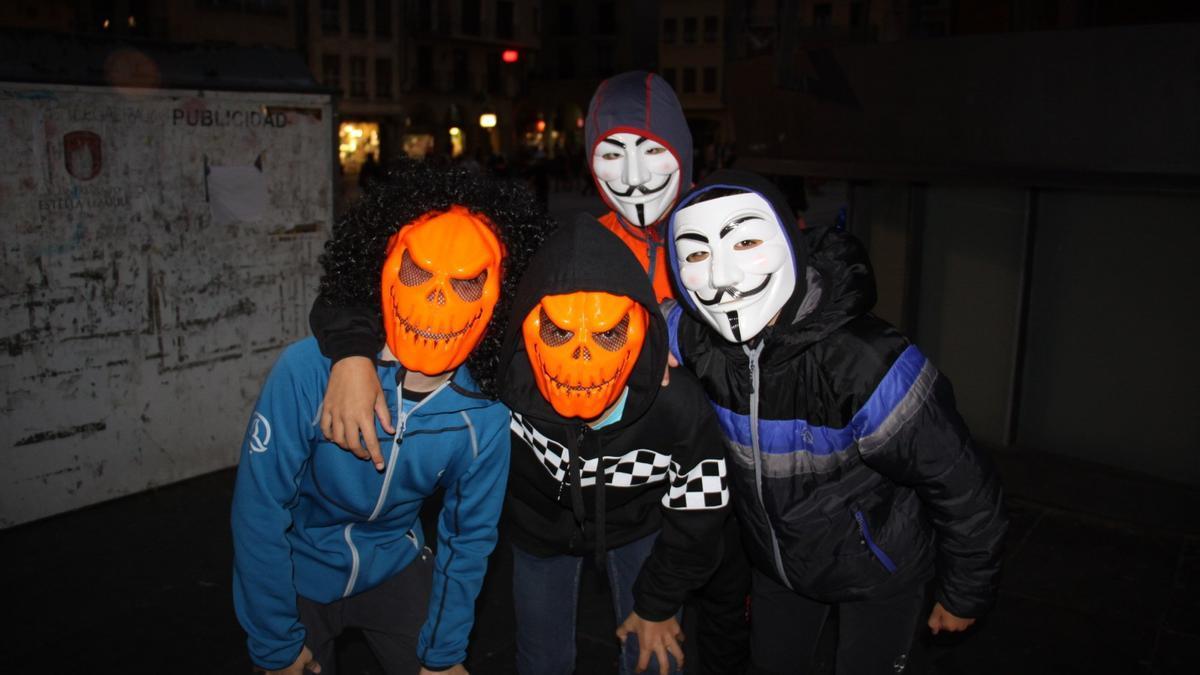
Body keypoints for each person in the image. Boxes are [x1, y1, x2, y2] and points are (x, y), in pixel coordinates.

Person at [662, 170, 1010, 674]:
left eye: (747, 242)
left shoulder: (869, 365)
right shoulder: (700, 340)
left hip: (878, 573)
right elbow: (641, 320)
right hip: (780, 568)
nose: (722, 276)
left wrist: (964, 594)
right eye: (695, 254)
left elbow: (963, 485)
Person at [232, 159, 545, 675]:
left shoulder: (484, 412)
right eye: (418, 273)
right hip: (297, 568)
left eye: (467, 284)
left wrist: (444, 655)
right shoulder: (307, 371)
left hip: (394, 566)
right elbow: (259, 510)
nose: (438, 298)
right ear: (382, 259)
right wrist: (274, 643)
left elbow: (469, 539)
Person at [496, 216, 729, 675]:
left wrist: (660, 602)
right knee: (542, 661)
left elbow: (701, 515)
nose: (583, 358)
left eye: (609, 335)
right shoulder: (503, 387)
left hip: (641, 526)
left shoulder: (676, 406)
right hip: (539, 532)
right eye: (559, 332)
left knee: (653, 657)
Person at [584, 70, 692, 303]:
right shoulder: (588, 248)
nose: (634, 178)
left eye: (653, 150)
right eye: (612, 155)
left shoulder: (728, 234)